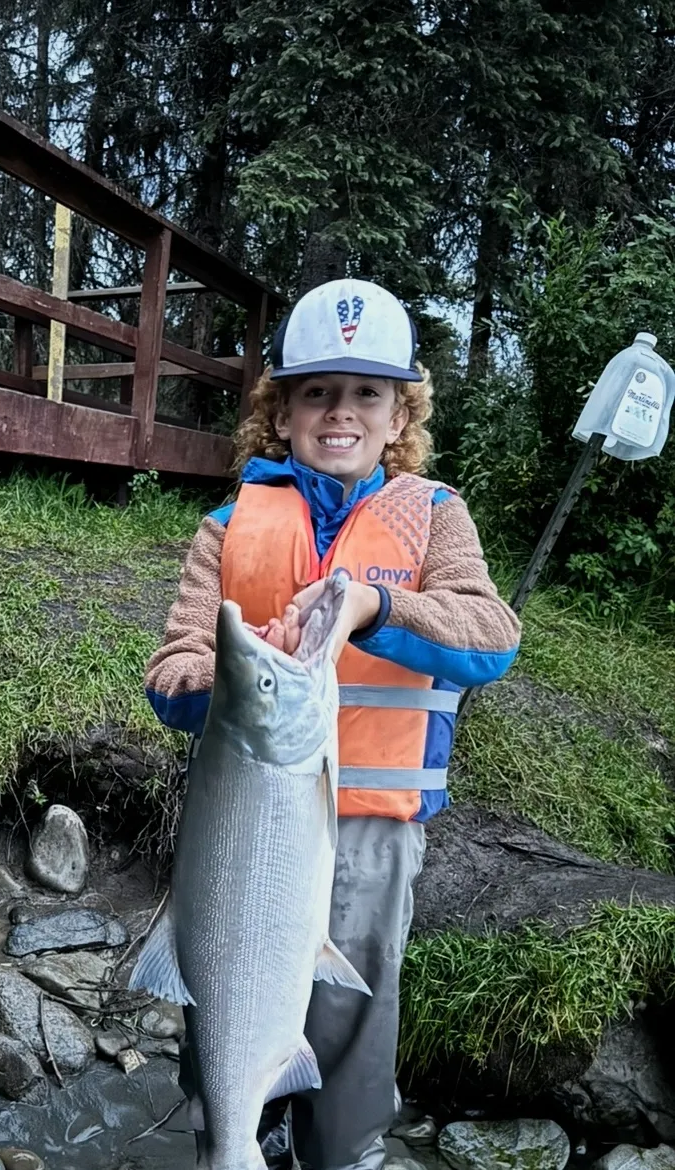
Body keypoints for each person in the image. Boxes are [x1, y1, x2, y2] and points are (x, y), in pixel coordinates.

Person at [144, 278, 521, 1170]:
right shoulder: (228, 526)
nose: (339, 412)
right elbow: (174, 668)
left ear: (400, 417)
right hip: (240, 826)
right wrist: (229, 681)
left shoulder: (436, 518)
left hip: (372, 832)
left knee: (353, 1010)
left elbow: (491, 635)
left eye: (366, 394)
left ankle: (343, 1153)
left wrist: (375, 606)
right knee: (225, 1000)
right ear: (280, 414)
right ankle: (230, 1137)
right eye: (316, 393)